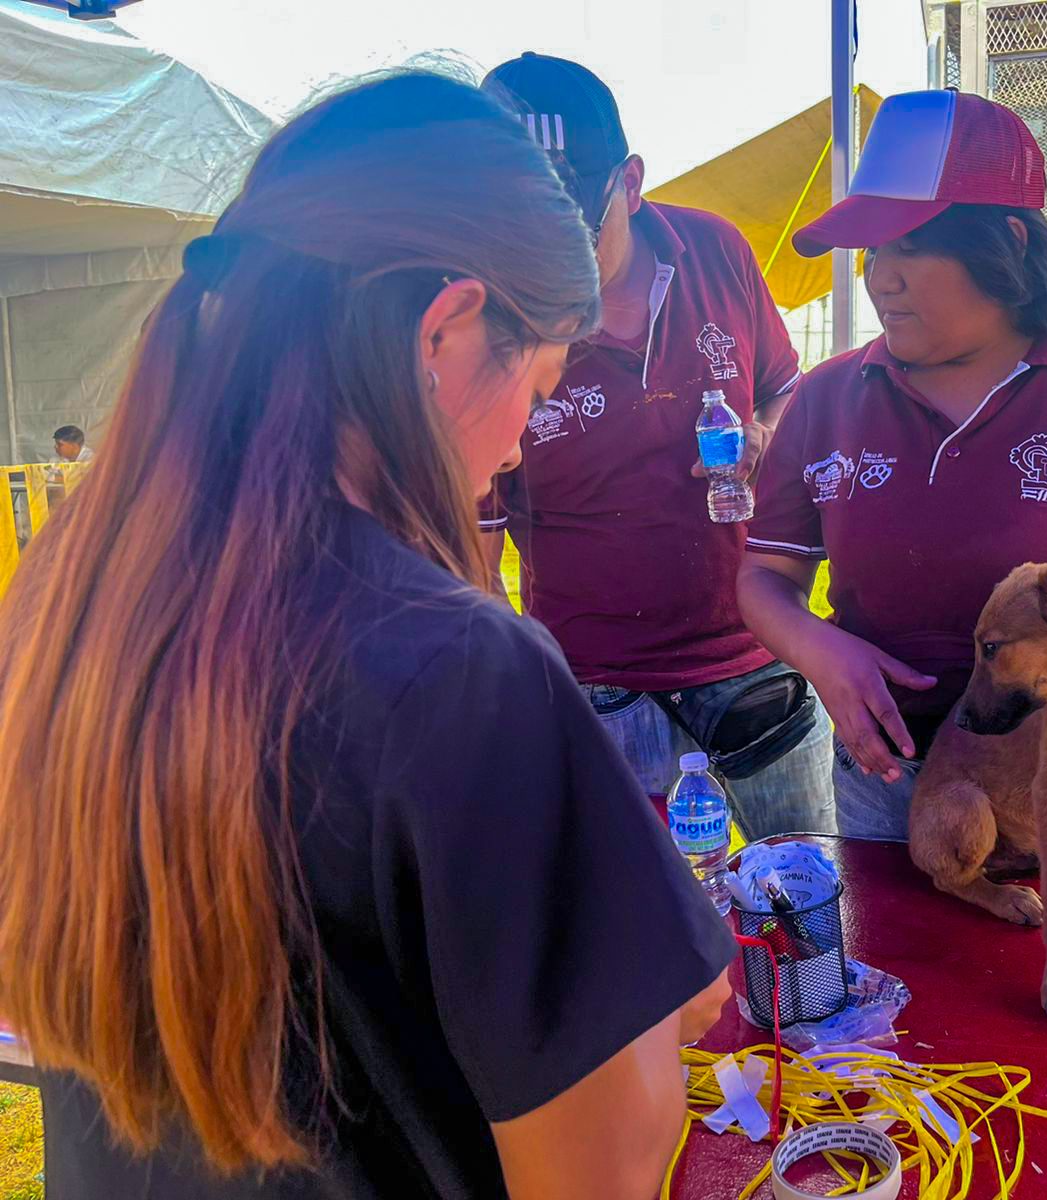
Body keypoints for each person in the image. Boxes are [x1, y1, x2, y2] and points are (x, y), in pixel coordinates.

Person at [0, 74, 733, 1200]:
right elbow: (602, 1170)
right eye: (537, 383)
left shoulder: (60, 600)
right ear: (444, 330)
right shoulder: (458, 669)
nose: (521, 445)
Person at [737, 89, 1047, 846]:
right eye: (872, 253)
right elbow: (764, 575)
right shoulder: (824, 397)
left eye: (909, 248)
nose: (879, 279)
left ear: (1006, 245)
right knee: (889, 961)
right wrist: (821, 653)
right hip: (884, 772)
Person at [476, 54, 834, 839]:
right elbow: (472, 544)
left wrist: (765, 433)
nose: (551, 265)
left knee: (813, 908)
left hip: (759, 655)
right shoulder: (490, 319)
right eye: (522, 236)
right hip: (597, 687)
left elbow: (784, 383)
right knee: (648, 947)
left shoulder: (714, 250)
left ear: (630, 184)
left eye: (574, 229)